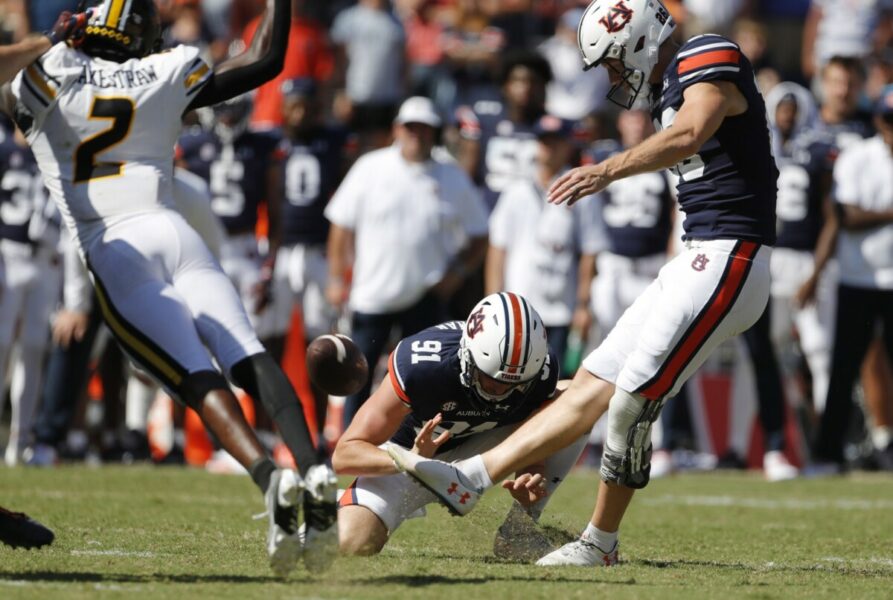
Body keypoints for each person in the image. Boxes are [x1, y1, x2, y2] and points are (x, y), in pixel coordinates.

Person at [387, 0, 778, 567]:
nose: (616, 78)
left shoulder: (706, 53)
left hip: (730, 256)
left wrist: (605, 169)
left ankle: (600, 543)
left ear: (642, 39)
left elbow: (693, 131)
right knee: (589, 383)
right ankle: (471, 476)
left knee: (633, 401)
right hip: (698, 255)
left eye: (616, 63)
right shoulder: (671, 81)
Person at [1, 0, 335, 576]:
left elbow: (13, 83)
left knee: (193, 376)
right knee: (245, 351)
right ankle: (312, 468)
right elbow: (264, 58)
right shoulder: (168, 67)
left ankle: (269, 477)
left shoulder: (48, 72)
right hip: (173, 227)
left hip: (112, 245)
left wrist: (46, 42)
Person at [332, 292, 587, 559]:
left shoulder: (540, 372)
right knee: (353, 542)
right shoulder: (423, 366)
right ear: (468, 355)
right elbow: (345, 453)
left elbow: (534, 430)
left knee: (573, 401)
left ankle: (519, 532)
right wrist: (410, 460)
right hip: (411, 458)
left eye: (514, 385)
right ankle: (338, 506)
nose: (500, 392)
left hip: (480, 451)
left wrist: (532, 472)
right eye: (491, 381)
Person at [325, 96, 489, 429]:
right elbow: (340, 225)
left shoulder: (450, 176)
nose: (418, 135)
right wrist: (335, 278)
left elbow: (480, 234)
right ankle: (347, 441)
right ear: (398, 129)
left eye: (425, 128)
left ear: (435, 133)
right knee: (359, 374)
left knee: (423, 377)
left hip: (425, 294)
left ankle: (414, 443)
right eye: (411, 127)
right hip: (372, 292)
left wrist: (456, 274)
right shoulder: (370, 167)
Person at [811, 86, 893, 472]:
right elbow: (846, 215)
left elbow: (860, 212)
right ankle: (828, 450)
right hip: (859, 277)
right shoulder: (859, 156)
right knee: (843, 367)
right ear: (878, 121)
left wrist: (876, 212)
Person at [486, 114, 601, 368]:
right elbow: (497, 248)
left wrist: (583, 305)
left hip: (561, 304)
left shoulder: (580, 191)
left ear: (568, 145)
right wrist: (493, 300)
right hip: (518, 304)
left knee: (554, 380)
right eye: (544, 142)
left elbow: (590, 251)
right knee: (513, 374)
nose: (549, 149)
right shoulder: (515, 191)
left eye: (555, 142)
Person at [272, 77, 349, 438]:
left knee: (322, 345)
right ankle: (269, 433)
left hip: (319, 252)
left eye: (306, 106)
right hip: (283, 253)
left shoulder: (333, 141)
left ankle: (319, 433)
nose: (299, 113)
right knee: (269, 340)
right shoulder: (270, 142)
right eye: (293, 106)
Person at [0, 124, 62, 466]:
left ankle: (21, 440)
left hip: (45, 262)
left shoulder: (54, 152)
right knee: (1, 347)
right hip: (7, 257)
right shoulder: (5, 151)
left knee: (35, 349)